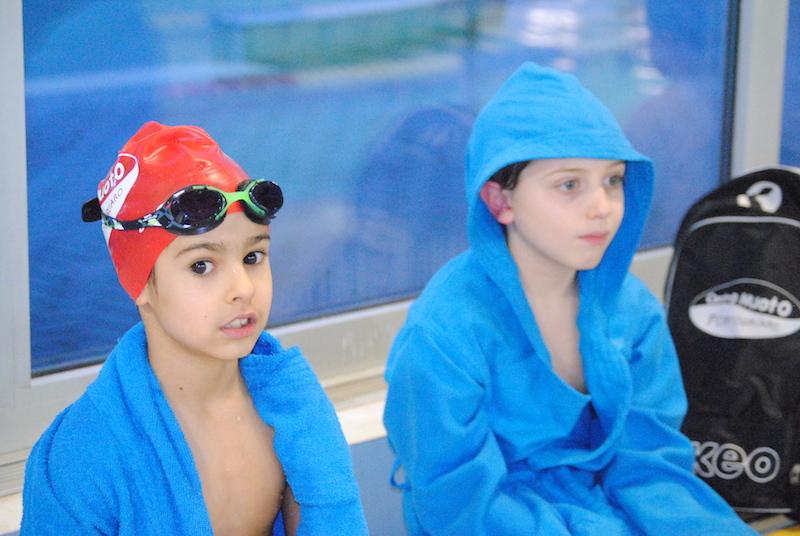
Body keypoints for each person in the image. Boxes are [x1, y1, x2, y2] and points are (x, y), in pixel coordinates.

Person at [382, 63, 755, 534]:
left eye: (613, 180)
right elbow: (457, 498)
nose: (602, 207)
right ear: (500, 201)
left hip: (607, 507)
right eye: (569, 184)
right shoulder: (444, 332)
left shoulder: (632, 310)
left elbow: (651, 463)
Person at [21, 122, 368, 535]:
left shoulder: (294, 410)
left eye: (253, 257)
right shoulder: (82, 457)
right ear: (138, 282)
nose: (242, 289)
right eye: (201, 265)